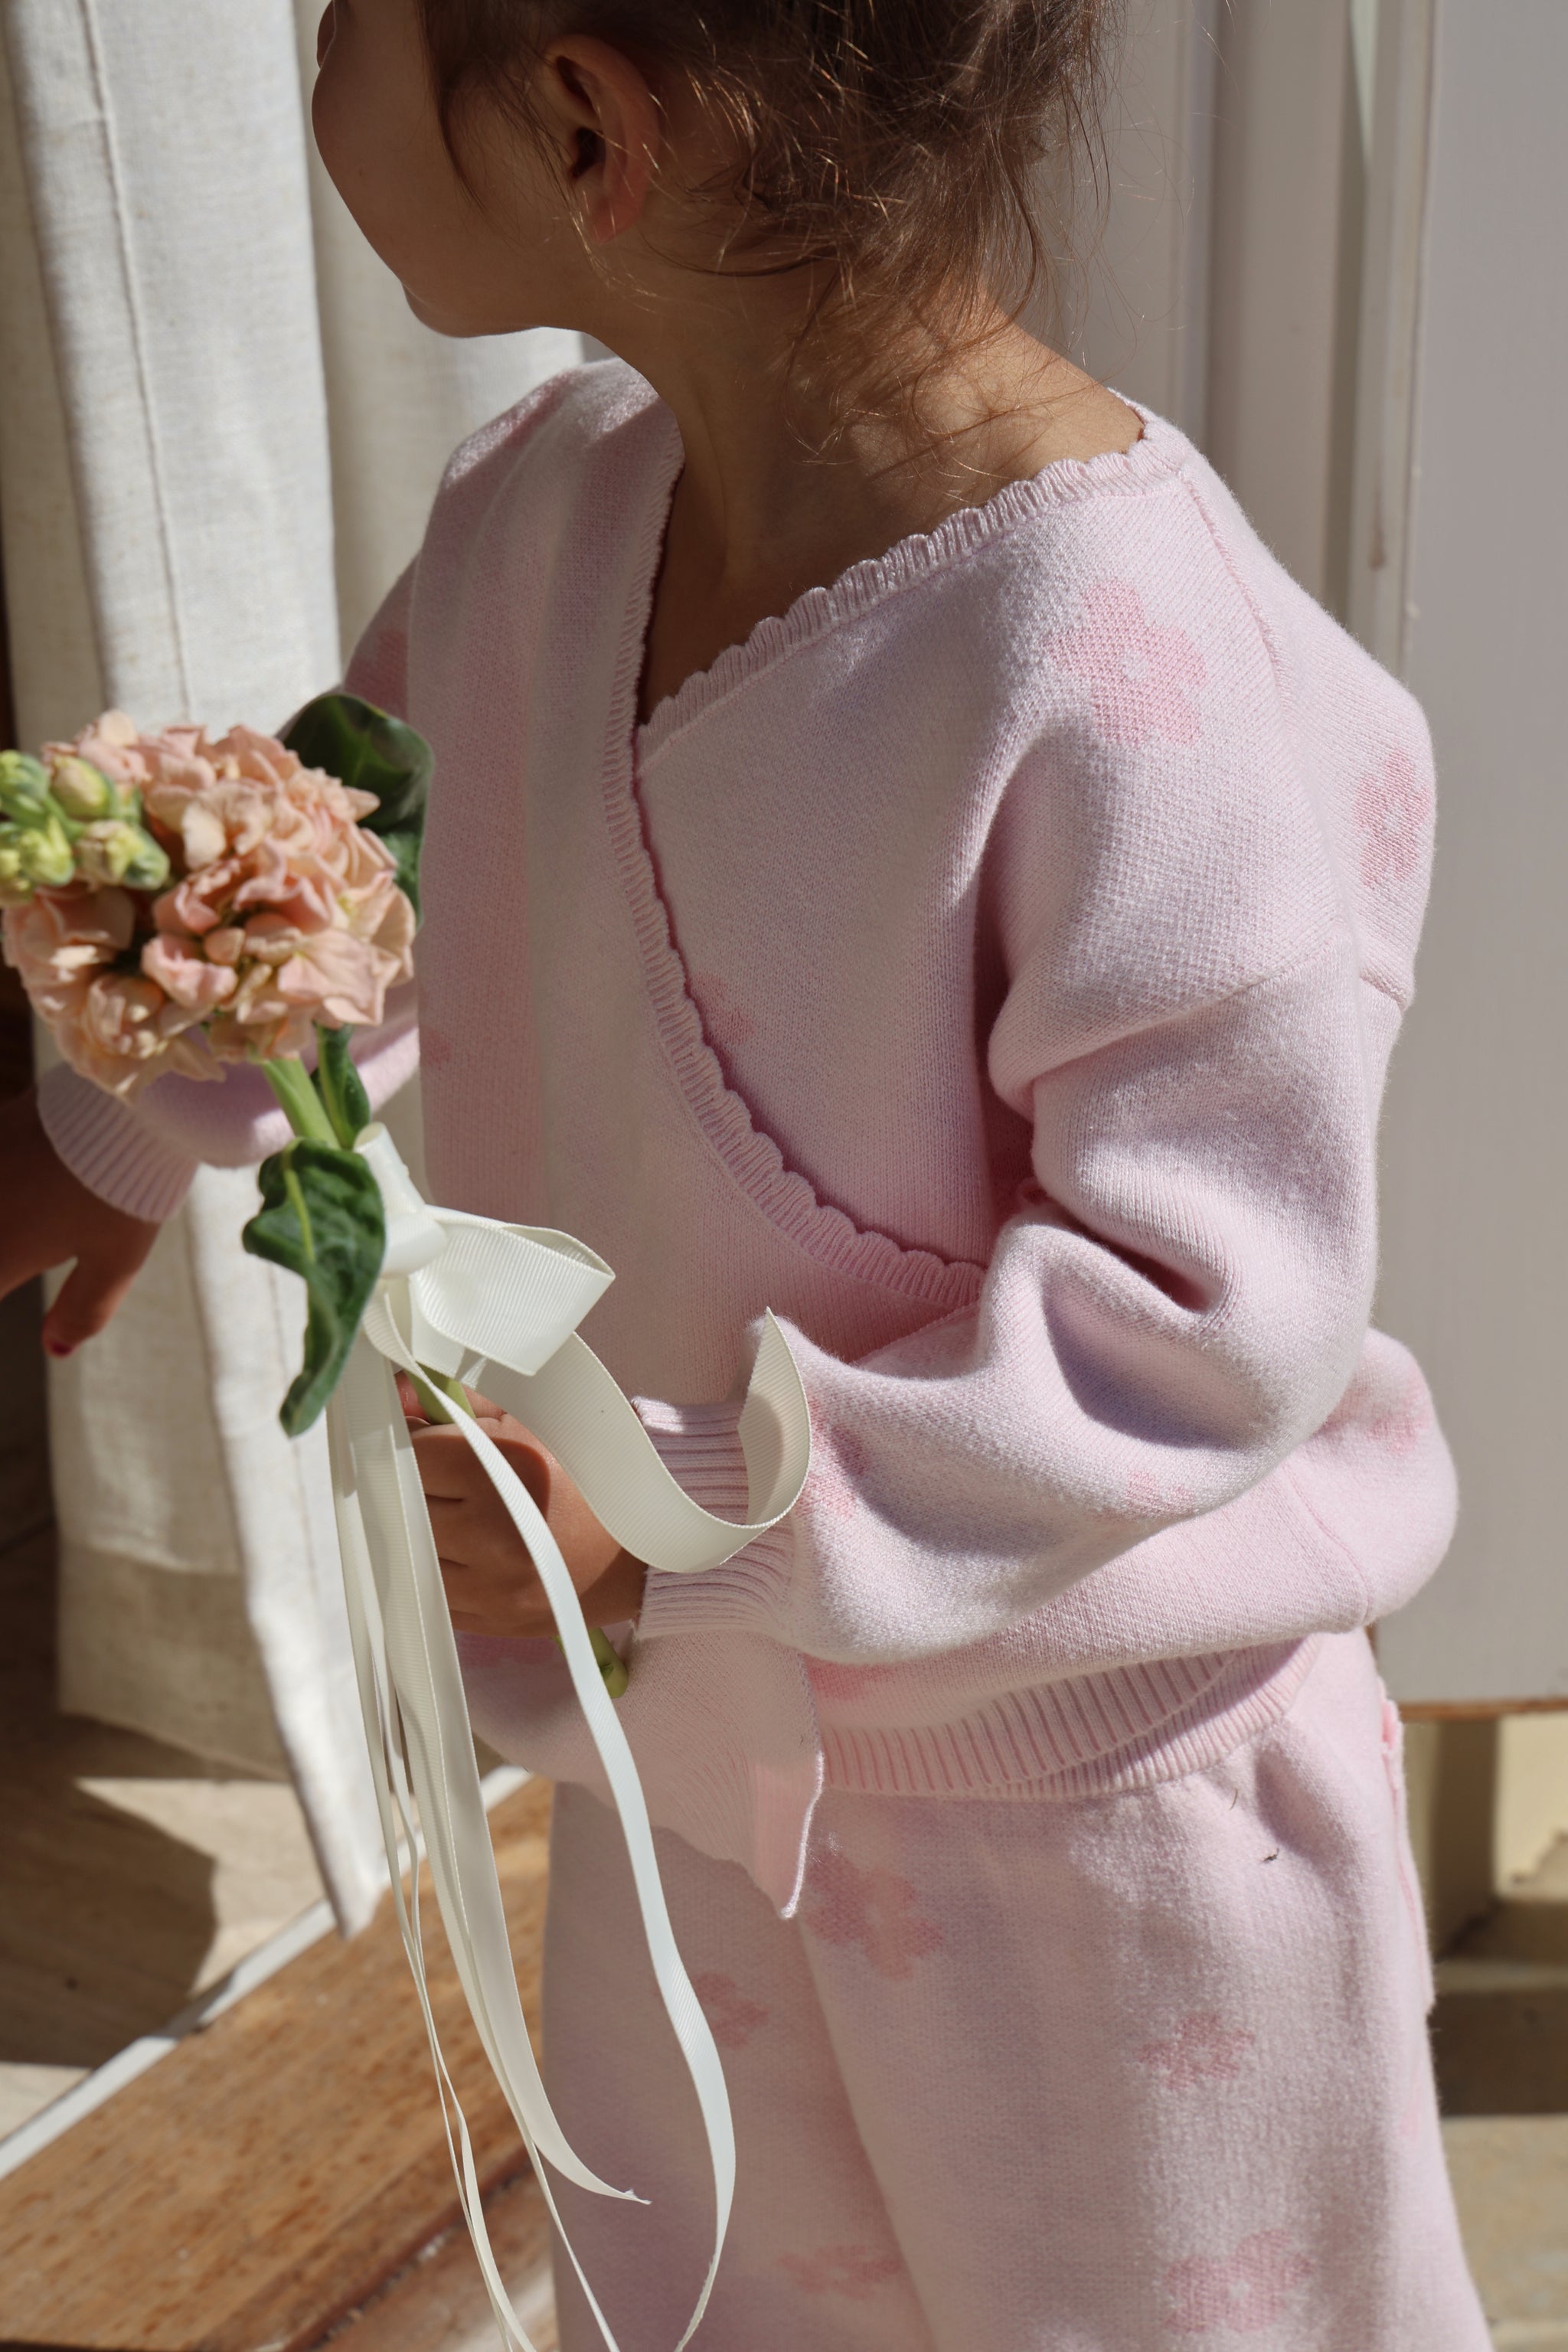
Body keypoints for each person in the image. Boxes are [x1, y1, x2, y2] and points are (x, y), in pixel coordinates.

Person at [0, 3, 1490, 2344]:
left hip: (1098, 1854)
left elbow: (1204, 1324)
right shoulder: (541, 520)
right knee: (722, 2301)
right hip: (697, 1765)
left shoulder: (1134, 673)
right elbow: (340, 886)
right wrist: (111, 1130)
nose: (313, 67)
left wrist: (667, 1501)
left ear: (586, 121)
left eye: (348, 18)